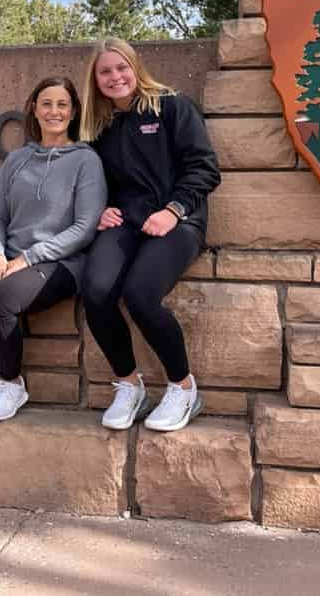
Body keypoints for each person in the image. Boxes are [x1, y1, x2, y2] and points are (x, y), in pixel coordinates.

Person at [80, 38, 221, 432]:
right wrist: (99, 209)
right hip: (125, 223)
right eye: (105, 71)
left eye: (121, 67)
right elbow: (91, 180)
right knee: (95, 291)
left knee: (140, 295)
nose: (115, 77)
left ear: (135, 67)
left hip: (178, 221)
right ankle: (129, 385)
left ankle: (183, 387)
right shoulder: (98, 126)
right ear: (95, 79)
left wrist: (173, 210)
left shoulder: (171, 107)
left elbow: (205, 169)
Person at [0, 76, 107, 422]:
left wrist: (29, 258)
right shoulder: (16, 160)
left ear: (73, 112)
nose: (54, 111)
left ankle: (11, 383)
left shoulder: (86, 160)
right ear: (34, 109)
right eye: (46, 104)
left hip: (62, 262)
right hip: (10, 255)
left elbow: (85, 227)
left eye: (62, 104)